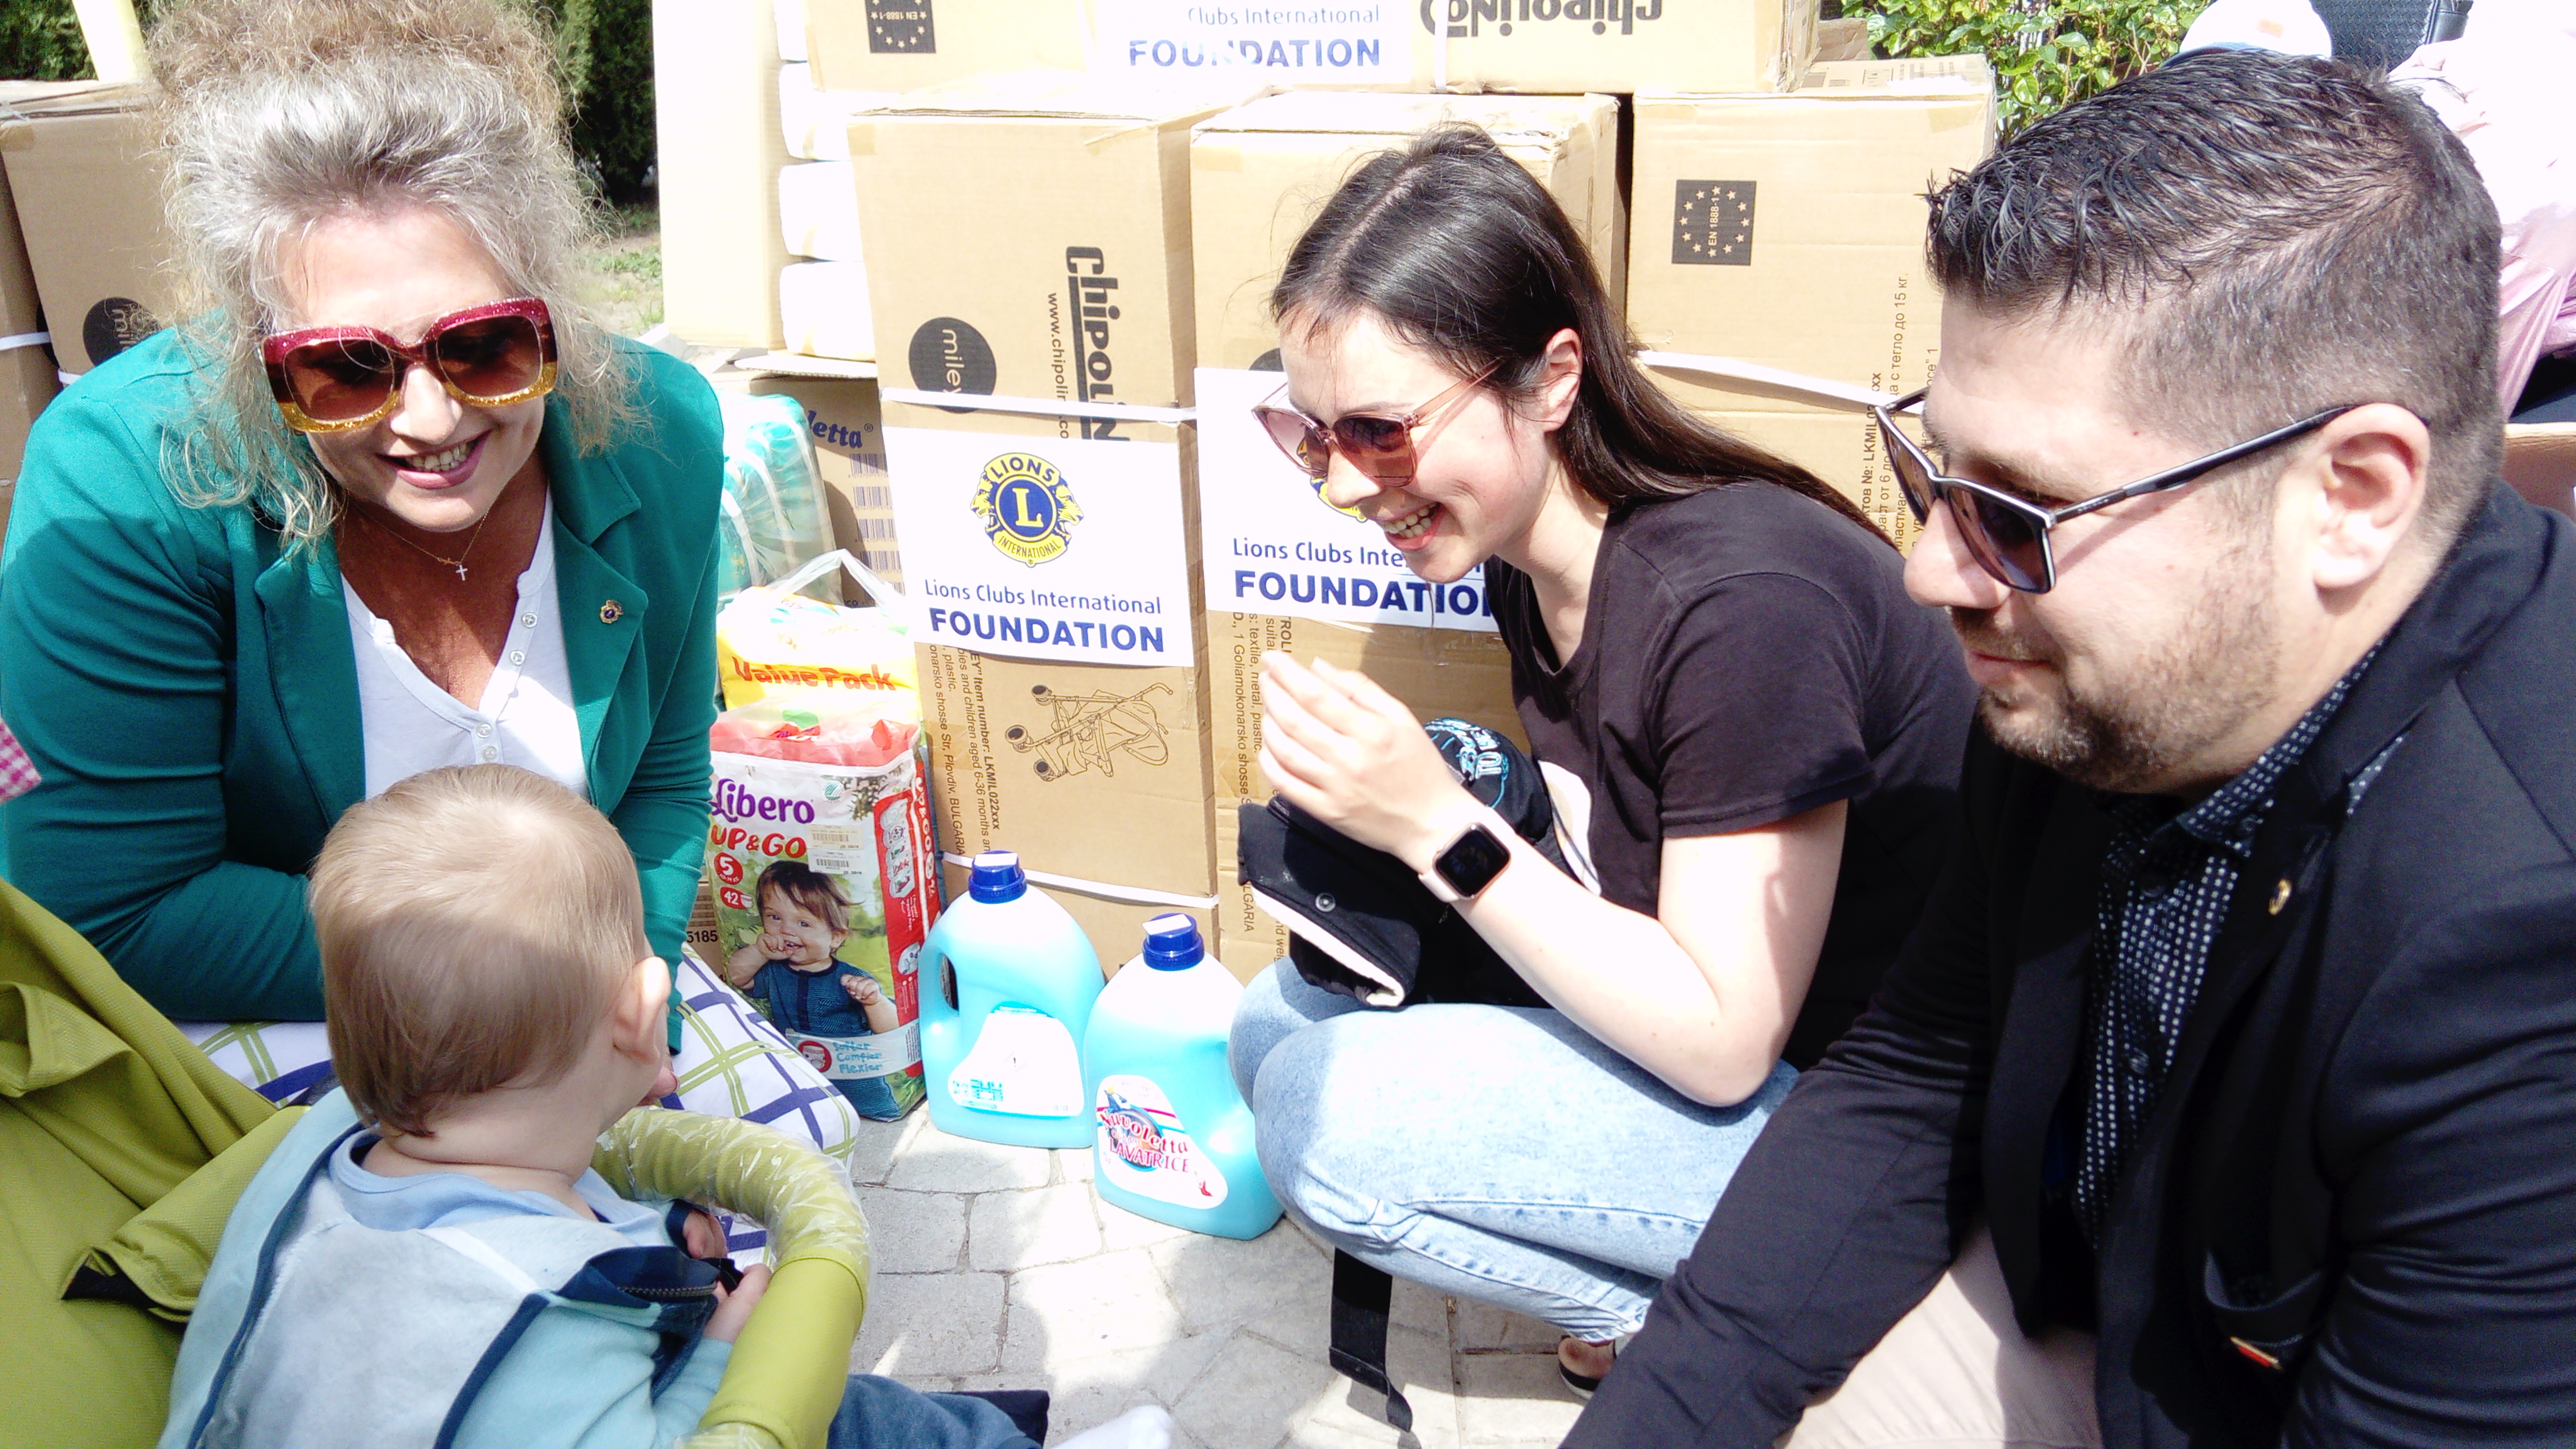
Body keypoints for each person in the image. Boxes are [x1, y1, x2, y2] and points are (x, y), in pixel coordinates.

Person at [1570, 51, 2576, 1448]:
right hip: (2105, 1293)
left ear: (2350, 495)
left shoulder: (2519, 934)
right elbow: (1918, 1066)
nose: (1932, 572)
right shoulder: (2091, 668)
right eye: (1932, 473)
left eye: (2017, 509)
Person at [0, 0, 858, 1177]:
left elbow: (662, 778)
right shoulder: (129, 479)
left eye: (484, 344)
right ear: (255, 352)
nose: (430, 418)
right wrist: (525, 998)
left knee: (792, 1164)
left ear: (551, 307)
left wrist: (633, 996)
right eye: (342, 369)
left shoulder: (659, 431)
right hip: (272, 994)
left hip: (571, 977)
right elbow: (118, 908)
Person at [1226, 127, 1975, 1395]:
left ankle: (1723, 1324)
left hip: (1868, 1130)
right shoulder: (1536, 563)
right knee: (1269, 1027)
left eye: (1380, 431)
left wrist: (1437, 826)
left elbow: (1724, 1040)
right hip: (1746, 1049)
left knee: (1324, 1118)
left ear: (1552, 379)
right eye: (1309, 435)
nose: (1344, 486)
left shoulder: (1741, 610)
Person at [167, 764, 1170, 1449]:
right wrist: (722, 1357)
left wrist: (642, 1228)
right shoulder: (556, 1310)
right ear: (645, 1018)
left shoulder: (309, 1155)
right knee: (851, 1411)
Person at [724, 861, 904, 1119]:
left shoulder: (851, 979)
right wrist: (759, 951)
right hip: (800, 1077)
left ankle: (877, 1111)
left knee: (875, 1108)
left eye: (803, 923)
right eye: (775, 918)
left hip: (855, 1081)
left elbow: (891, 1028)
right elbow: (738, 976)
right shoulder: (775, 971)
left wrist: (873, 1002)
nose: (786, 930)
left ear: (835, 937)